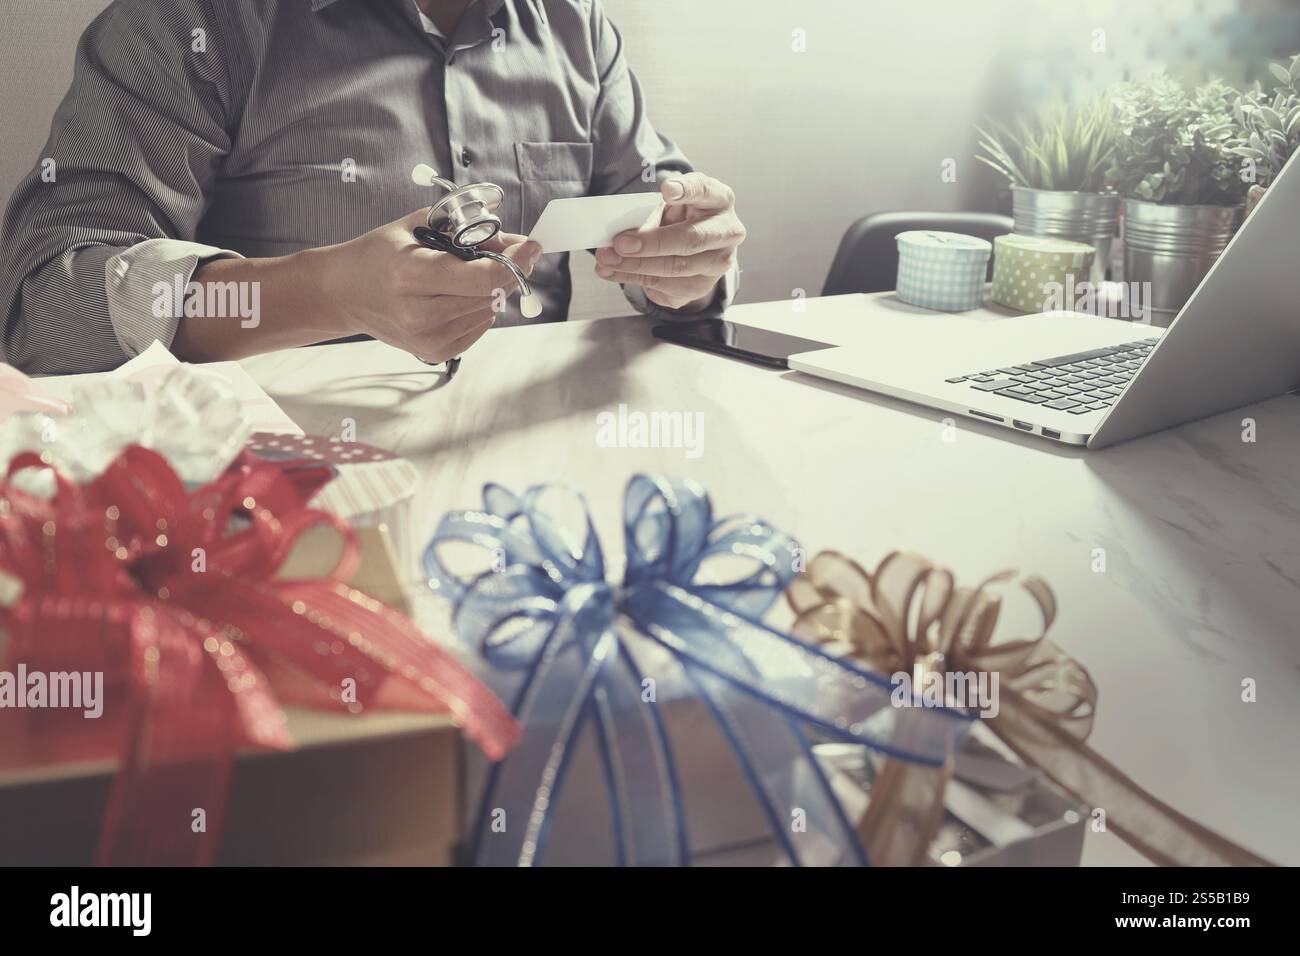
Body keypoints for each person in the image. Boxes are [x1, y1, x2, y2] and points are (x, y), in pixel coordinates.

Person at [0, 0, 745, 374]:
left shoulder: (574, 23)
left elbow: (661, 206)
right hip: (269, 505)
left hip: (540, 467)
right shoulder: (193, 22)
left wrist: (688, 266)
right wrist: (323, 292)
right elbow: (44, 308)